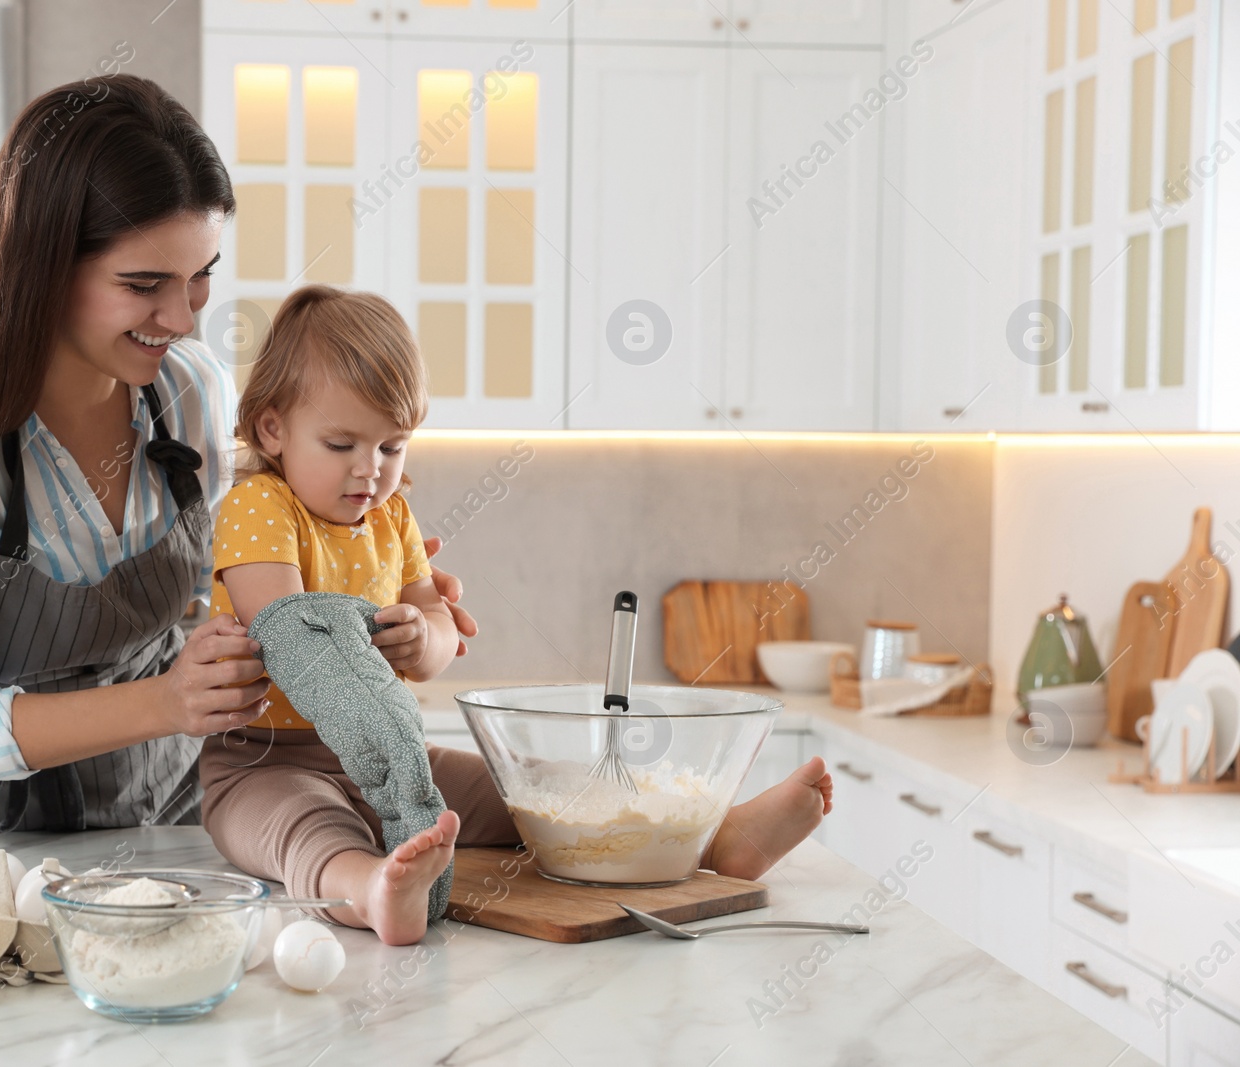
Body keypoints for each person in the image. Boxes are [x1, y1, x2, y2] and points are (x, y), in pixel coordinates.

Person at [0, 74, 476, 832]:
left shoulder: (188, 392)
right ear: (42, 265)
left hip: (185, 837)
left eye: (201, 277)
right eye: (142, 284)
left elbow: (239, 569)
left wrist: (364, 572)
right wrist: (162, 702)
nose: (181, 316)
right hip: (3, 870)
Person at [198, 285, 836, 946]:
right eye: (341, 444)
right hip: (264, 762)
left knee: (531, 791)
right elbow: (291, 635)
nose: (371, 469)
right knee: (304, 826)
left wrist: (423, 640)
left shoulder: (391, 517)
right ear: (273, 428)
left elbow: (440, 623)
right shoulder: (259, 506)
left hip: (395, 759)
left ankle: (713, 837)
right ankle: (372, 888)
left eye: (392, 447)